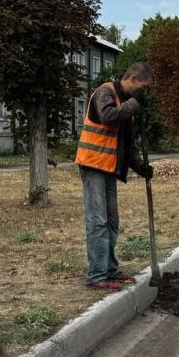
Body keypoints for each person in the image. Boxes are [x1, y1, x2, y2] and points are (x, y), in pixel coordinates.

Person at [74, 63, 155, 290]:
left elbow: (128, 144)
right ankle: (97, 275)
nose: (144, 92)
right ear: (133, 78)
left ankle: (110, 269)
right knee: (97, 221)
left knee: (111, 222)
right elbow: (108, 116)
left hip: (108, 168)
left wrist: (141, 167)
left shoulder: (128, 104)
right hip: (93, 166)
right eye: (144, 87)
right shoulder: (105, 92)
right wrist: (135, 104)